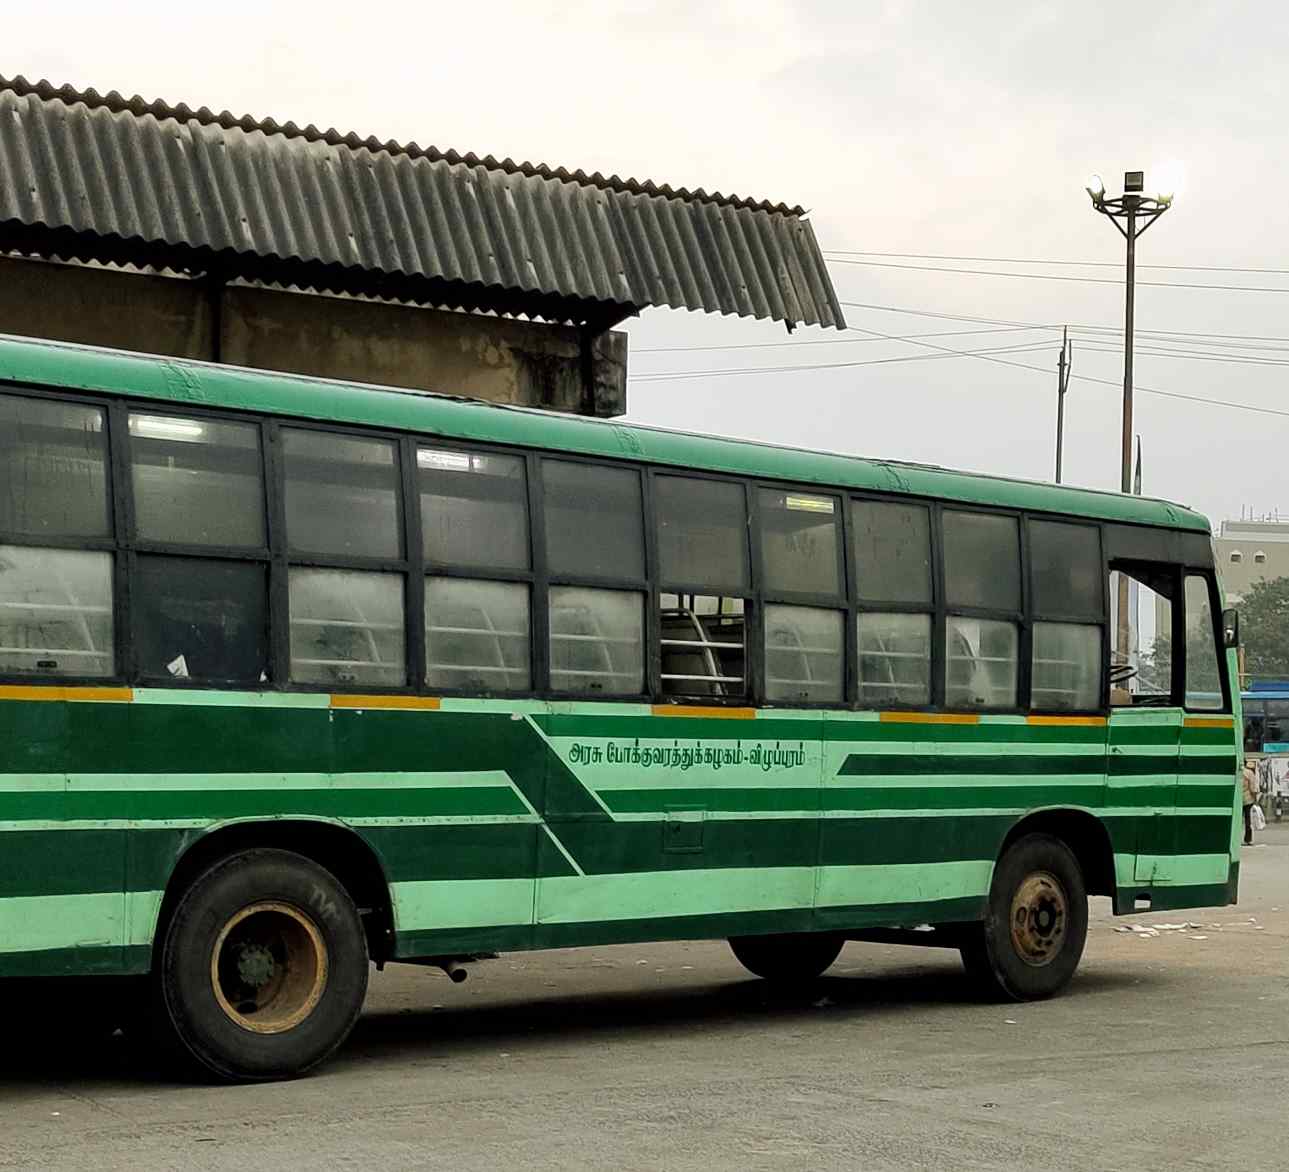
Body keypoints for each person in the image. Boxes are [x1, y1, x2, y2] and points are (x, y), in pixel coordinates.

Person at [1242, 758, 1260, 846]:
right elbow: (1253, 788)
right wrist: (1255, 799)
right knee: (1248, 821)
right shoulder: (1249, 773)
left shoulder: (1236, 772)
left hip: (1237, 800)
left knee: (1236, 821)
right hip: (1248, 800)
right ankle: (1248, 839)